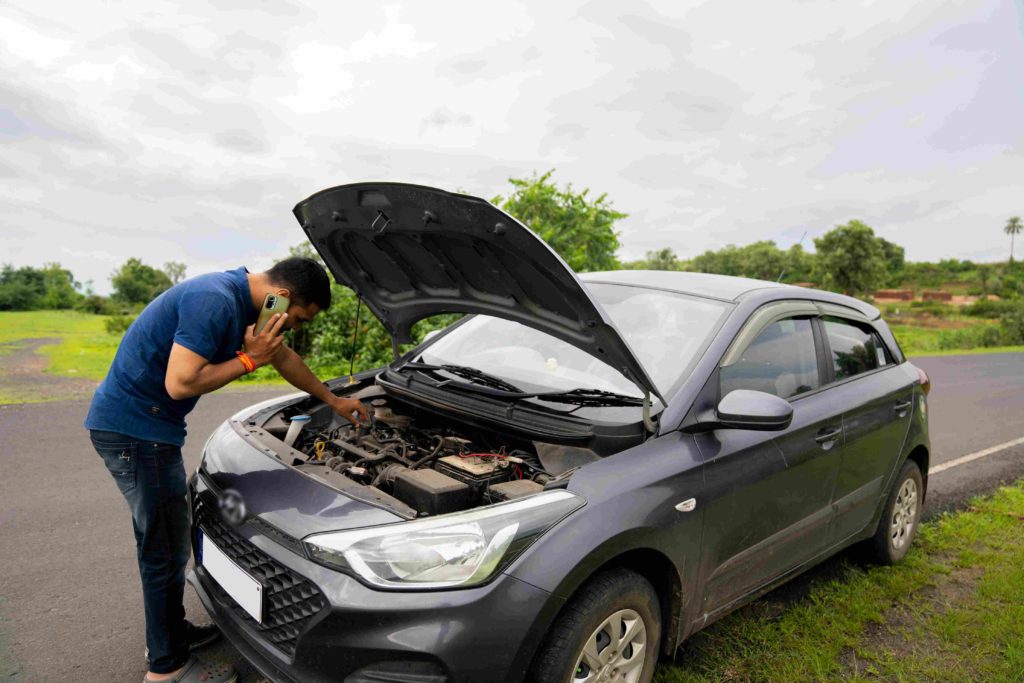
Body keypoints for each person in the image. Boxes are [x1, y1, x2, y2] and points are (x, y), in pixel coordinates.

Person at [84, 258, 369, 683]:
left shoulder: (241, 300)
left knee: (167, 537)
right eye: (298, 319)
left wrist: (333, 401)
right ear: (283, 297)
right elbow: (180, 383)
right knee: (162, 549)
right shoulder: (213, 300)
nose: (293, 327)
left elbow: (284, 359)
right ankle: (167, 670)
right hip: (136, 433)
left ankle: (169, 634)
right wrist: (250, 361)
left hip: (144, 429)